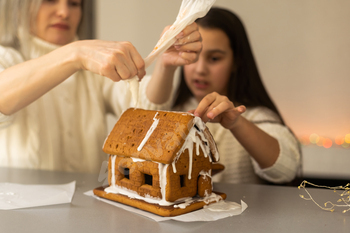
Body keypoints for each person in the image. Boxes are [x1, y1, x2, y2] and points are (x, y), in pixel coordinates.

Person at [0, 0, 202, 173]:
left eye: (74, 3)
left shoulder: (90, 66)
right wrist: (75, 54)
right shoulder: (7, 57)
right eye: (50, 0)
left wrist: (164, 65)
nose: (64, 12)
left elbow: (143, 106)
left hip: (87, 207)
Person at [146, 7, 301, 184]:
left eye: (214, 59)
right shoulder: (172, 109)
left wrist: (236, 123)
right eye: (193, 56)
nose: (200, 69)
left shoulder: (254, 116)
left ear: (236, 61)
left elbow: (287, 169)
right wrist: (165, 63)